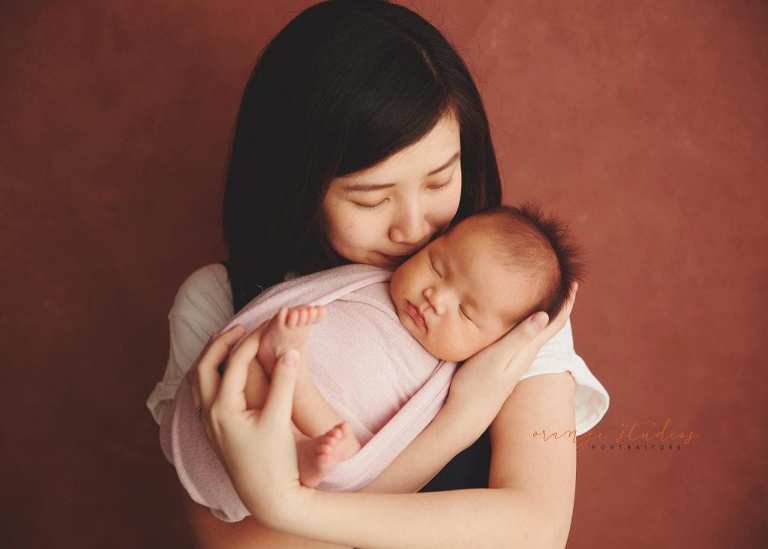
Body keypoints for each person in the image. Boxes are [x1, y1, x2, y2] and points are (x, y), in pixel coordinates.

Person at [146, 1, 610, 546]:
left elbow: (534, 531)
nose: (413, 228)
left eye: (439, 181)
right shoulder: (220, 302)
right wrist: (456, 423)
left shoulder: (505, 294)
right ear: (298, 186)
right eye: (370, 199)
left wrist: (286, 507)